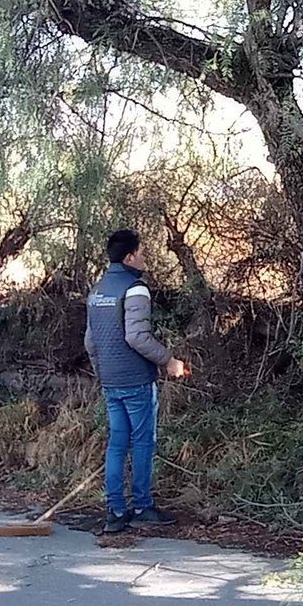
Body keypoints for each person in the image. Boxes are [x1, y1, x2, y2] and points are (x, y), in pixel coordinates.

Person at [84, 229, 191, 535]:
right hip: (136, 381)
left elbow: (91, 342)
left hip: (110, 381)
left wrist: (102, 372)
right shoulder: (136, 289)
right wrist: (169, 361)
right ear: (130, 256)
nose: (144, 257)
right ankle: (143, 507)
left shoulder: (97, 291)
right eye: (141, 252)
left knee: (117, 444)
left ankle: (115, 512)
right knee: (143, 442)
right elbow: (136, 336)